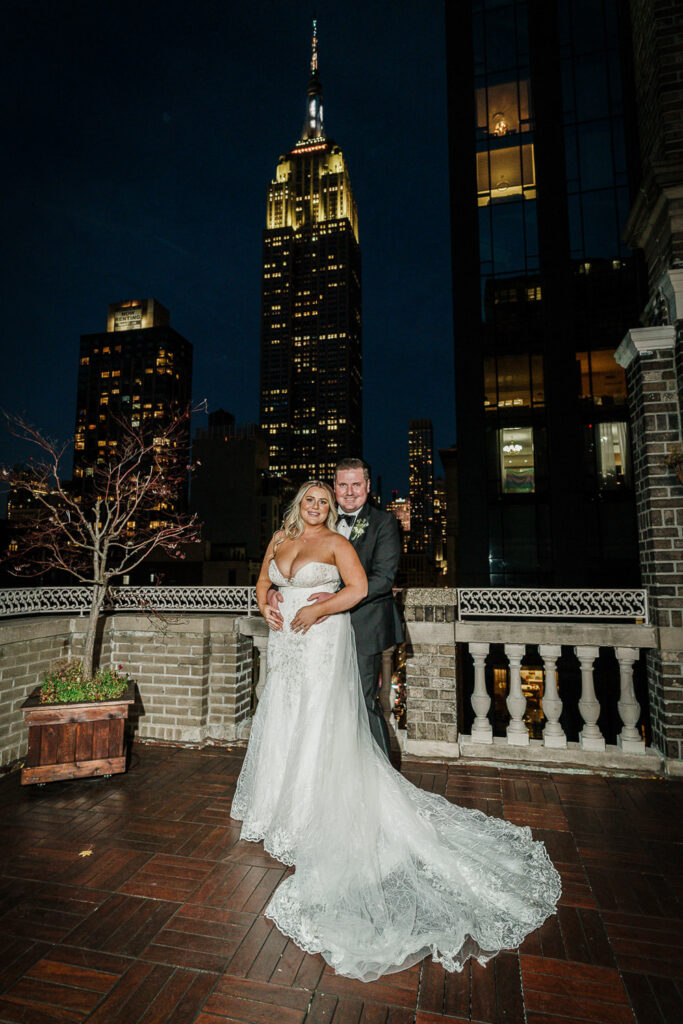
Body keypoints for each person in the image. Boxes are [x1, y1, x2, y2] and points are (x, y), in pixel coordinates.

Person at [231, 481, 561, 983]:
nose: (318, 506)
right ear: (299, 504)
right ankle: (274, 802)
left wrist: (318, 608)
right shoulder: (280, 539)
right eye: (311, 499)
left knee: (319, 719)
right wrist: (266, 605)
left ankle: (308, 809)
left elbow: (359, 590)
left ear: (331, 508)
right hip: (286, 645)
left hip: (320, 640)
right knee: (283, 715)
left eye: (325, 500)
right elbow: (261, 583)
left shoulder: (338, 544)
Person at [266, 457, 403, 757]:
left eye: (356, 484)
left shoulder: (384, 523)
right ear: (334, 488)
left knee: (363, 702)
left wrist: (333, 597)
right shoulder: (318, 519)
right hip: (315, 633)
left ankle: (383, 780)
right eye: (343, 485)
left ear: (367, 485)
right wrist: (278, 590)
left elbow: (383, 578)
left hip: (364, 623)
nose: (350, 491)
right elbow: (296, 566)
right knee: (319, 704)